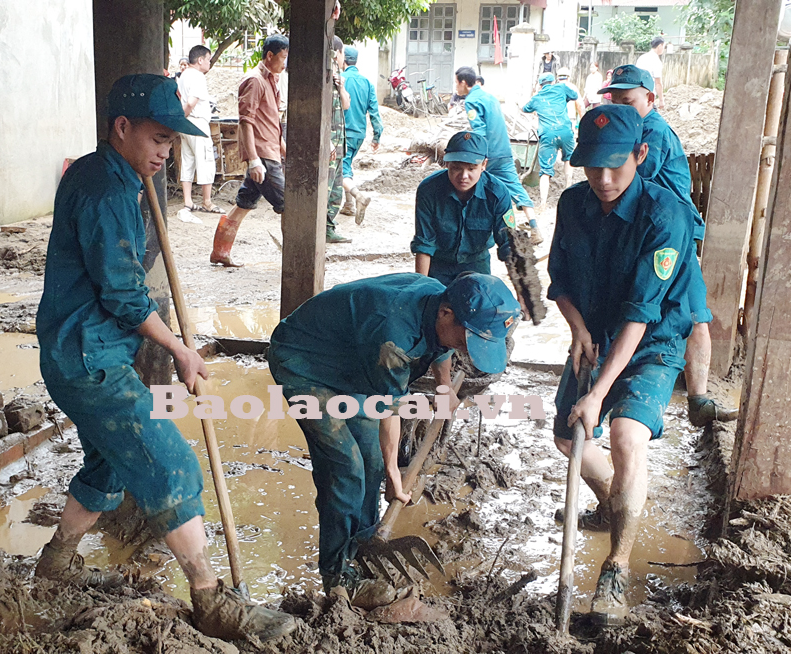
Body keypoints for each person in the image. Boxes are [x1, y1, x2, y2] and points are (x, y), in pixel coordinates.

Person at [34, 74, 296, 643]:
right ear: (122, 128)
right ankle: (211, 600)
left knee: (109, 463)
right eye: (157, 138)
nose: (165, 152)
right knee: (170, 461)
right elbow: (122, 294)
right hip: (87, 356)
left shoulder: (105, 174)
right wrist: (179, 348)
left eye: (172, 143)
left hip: (80, 346)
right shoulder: (105, 190)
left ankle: (54, 563)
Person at [267, 272, 519, 607]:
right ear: (446, 313)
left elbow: (442, 346)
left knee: (369, 461)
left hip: (352, 361)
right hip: (303, 363)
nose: (467, 348)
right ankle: (337, 576)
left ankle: (364, 546)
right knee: (345, 467)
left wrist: (444, 388)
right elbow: (388, 412)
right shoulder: (393, 343)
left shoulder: (439, 297)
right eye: (469, 338)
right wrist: (394, 475)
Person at [548, 104, 698, 626]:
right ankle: (619, 504)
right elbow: (559, 279)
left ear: (641, 155)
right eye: (592, 167)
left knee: (625, 435)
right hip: (597, 331)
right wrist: (579, 329)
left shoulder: (666, 216)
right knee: (569, 440)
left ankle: (617, 565)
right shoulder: (572, 204)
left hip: (653, 336)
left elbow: (640, 312)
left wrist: (598, 393)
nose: (604, 179)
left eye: (616, 165)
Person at [602, 64, 738, 426]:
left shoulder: (652, 132)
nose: (620, 106)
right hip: (646, 234)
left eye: (627, 100)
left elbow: (627, 183)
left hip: (672, 236)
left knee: (693, 316)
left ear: (650, 97)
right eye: (615, 100)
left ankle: (698, 401)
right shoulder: (630, 129)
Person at [211, 34, 289, 267]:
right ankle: (294, 257)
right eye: (283, 58)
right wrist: (254, 160)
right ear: (269, 56)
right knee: (288, 206)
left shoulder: (270, 80)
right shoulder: (255, 80)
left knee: (244, 204)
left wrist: (283, 151)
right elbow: (246, 121)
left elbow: (270, 125)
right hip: (263, 157)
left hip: (268, 153)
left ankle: (220, 253)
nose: (285, 63)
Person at [411, 132, 521, 286]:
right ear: (447, 163)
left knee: (480, 306)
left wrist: (522, 296)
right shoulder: (429, 190)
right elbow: (424, 244)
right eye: (456, 168)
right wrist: (420, 288)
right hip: (438, 265)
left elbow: (509, 245)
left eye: (471, 168)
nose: (464, 176)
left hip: (477, 265)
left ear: (483, 165)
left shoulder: (498, 194)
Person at [455, 66, 538, 233]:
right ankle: (535, 226)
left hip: (488, 154)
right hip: (504, 151)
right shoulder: (491, 98)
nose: (455, 87)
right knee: (515, 188)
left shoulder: (471, 101)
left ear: (463, 83)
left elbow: (479, 130)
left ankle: (470, 227)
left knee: (474, 187)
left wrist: (474, 153)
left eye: (456, 83)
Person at [522, 72, 582, 210]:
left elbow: (525, 108)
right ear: (553, 81)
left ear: (540, 85)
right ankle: (568, 189)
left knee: (546, 170)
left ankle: (543, 203)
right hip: (566, 131)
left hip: (547, 134)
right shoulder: (561, 87)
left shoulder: (536, 98)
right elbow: (574, 95)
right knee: (568, 159)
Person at [339, 45, 382, 225]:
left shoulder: (340, 79)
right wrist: (376, 136)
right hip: (358, 133)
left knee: (340, 168)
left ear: (343, 59)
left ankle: (358, 197)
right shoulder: (367, 83)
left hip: (342, 132)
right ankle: (349, 204)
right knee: (346, 164)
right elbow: (374, 112)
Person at [178, 45, 220, 213]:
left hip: (186, 123)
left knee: (187, 160)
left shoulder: (184, 75)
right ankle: (207, 201)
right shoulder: (198, 76)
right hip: (197, 121)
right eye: (208, 59)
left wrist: (181, 120)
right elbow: (191, 102)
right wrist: (184, 116)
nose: (209, 63)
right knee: (205, 160)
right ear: (200, 60)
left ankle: (188, 201)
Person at [325, 36, 353, 244]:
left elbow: (345, 105)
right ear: (336, 53)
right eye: (342, 52)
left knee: (335, 190)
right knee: (326, 189)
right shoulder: (323, 77)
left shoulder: (337, 76)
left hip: (339, 139)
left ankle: (328, 228)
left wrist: (341, 87)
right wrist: (328, 142)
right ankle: (323, 228)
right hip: (330, 142)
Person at [635, 36, 666, 109]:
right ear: (660, 46)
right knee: (654, 119)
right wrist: (661, 100)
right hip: (648, 96)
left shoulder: (642, 58)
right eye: (664, 46)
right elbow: (658, 83)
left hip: (637, 93)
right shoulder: (656, 61)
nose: (664, 49)